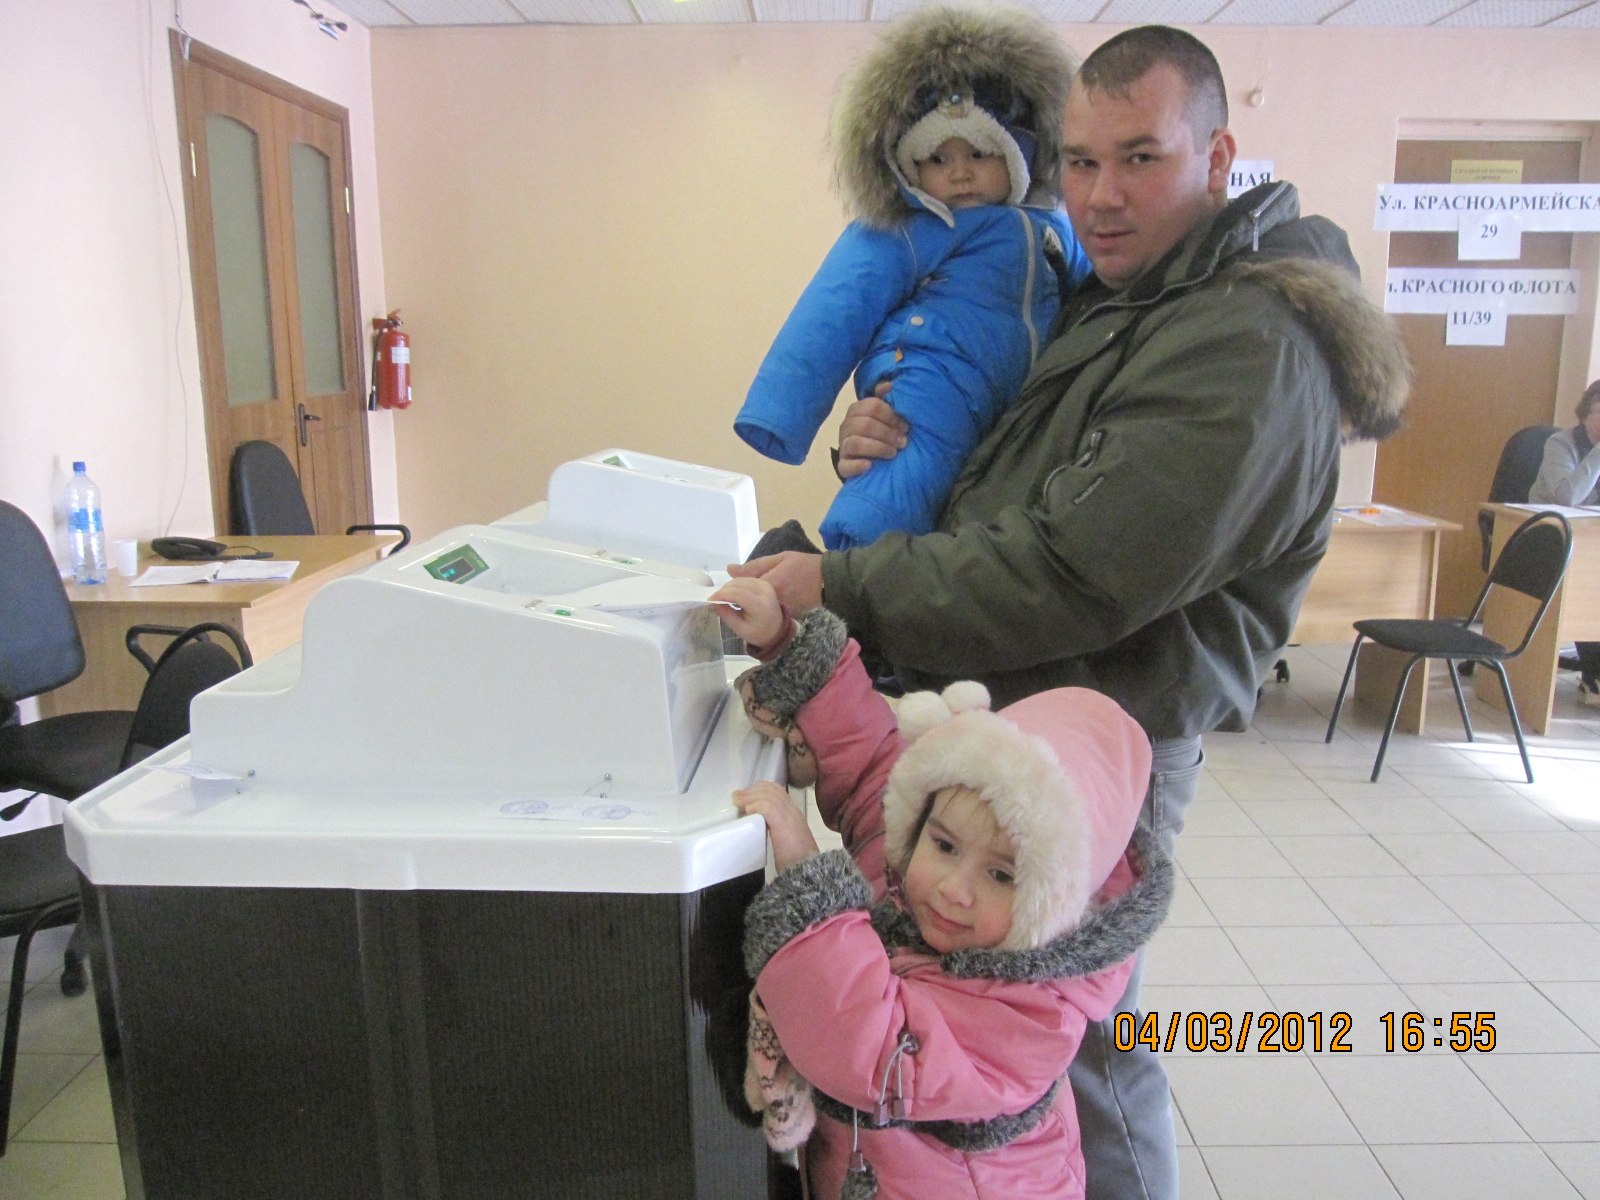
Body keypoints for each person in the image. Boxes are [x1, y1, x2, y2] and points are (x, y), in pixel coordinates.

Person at [730, 24, 1410, 1200]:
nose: (1099, 194)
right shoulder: (1126, 294)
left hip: (1097, 746)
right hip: (1023, 717)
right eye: (1082, 160)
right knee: (991, 1040)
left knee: (1069, 1056)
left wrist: (844, 583)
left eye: (1140, 158)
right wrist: (886, 442)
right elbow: (1013, 463)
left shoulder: (1247, 342)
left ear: (1216, 155)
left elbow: (1072, 567)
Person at [713, 574, 1172, 1200]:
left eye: (1002, 875)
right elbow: (871, 765)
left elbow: (868, 1048)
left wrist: (808, 891)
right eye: (946, 845)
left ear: (1056, 903)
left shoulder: (1031, 1014)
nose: (954, 888)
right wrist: (786, 644)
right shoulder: (913, 867)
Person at [734, 4, 1091, 551]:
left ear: (1020, 154)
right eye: (938, 159)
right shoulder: (910, 229)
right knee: (909, 453)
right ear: (912, 168)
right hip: (936, 369)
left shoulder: (1056, 231)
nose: (960, 172)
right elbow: (835, 305)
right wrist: (780, 413)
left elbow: (1094, 295)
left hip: (1023, 399)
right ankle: (858, 546)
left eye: (980, 152)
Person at [1529, 378, 1600, 698]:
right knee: (1591, 582)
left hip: (1591, 539)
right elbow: (1568, 497)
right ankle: (1595, 671)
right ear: (1585, 414)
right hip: (1549, 537)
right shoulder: (1561, 444)